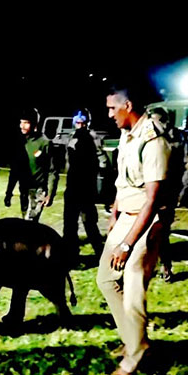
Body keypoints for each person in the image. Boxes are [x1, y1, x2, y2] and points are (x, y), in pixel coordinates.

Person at [96, 84, 171, 375]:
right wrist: (115, 214)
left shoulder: (152, 140)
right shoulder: (128, 136)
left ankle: (135, 355)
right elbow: (123, 182)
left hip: (145, 222)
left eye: (112, 108)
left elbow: (152, 199)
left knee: (133, 289)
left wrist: (127, 243)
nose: (110, 115)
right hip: (125, 218)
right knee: (105, 279)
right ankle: (135, 340)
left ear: (127, 106)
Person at [61, 110, 104, 265]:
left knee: (89, 223)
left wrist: (98, 187)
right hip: (72, 186)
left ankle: (101, 254)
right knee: (69, 225)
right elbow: (68, 162)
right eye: (77, 122)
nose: (80, 125)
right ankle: (71, 256)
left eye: (82, 122)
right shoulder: (71, 138)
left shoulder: (93, 138)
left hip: (85, 188)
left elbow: (101, 161)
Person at [148, 107, 185, 282]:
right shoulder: (148, 136)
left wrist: (177, 193)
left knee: (162, 232)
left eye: (156, 120)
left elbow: (180, 168)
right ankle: (151, 264)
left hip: (167, 192)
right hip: (150, 190)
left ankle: (166, 266)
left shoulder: (175, 138)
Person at [4, 107, 58, 221]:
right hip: (23, 189)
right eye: (21, 122)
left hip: (38, 190)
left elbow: (52, 170)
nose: (22, 126)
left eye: (26, 123)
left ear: (34, 124)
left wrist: (50, 193)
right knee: (27, 222)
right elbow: (15, 170)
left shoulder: (44, 143)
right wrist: (9, 192)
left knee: (29, 223)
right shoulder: (19, 143)